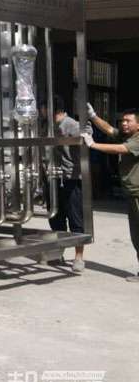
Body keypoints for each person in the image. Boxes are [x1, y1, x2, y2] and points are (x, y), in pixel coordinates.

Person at [84, 105, 139, 282]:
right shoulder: (127, 135)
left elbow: (120, 149)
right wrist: (93, 116)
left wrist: (93, 145)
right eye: (123, 120)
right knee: (136, 235)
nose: (124, 124)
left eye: (128, 121)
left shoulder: (137, 139)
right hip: (132, 193)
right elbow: (109, 129)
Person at [47, 96, 85, 273]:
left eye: (43, 109)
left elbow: (87, 134)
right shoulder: (47, 125)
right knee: (56, 217)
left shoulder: (71, 124)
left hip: (71, 178)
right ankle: (59, 253)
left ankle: (79, 257)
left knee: (75, 218)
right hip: (52, 177)